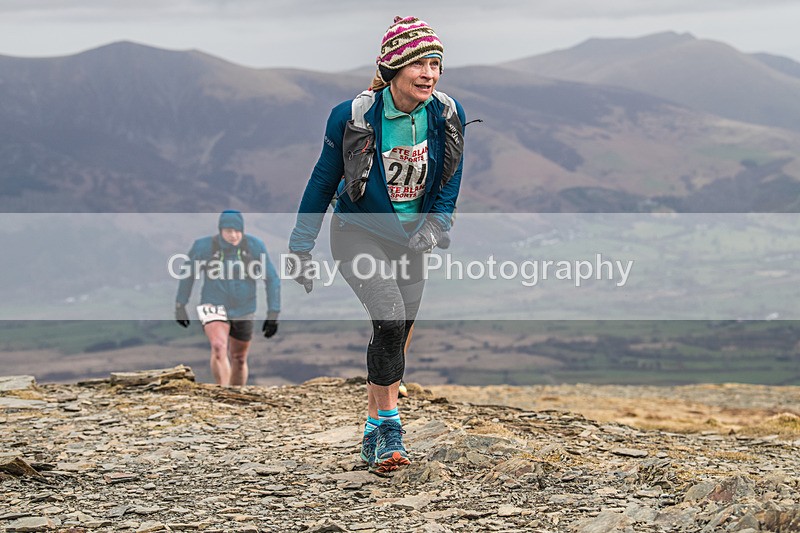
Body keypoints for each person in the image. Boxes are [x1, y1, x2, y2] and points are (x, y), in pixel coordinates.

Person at [288, 16, 466, 474]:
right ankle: (390, 429)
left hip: (413, 241)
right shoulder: (353, 116)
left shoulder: (447, 113)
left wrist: (436, 224)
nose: (429, 73)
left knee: (396, 332)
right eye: (418, 64)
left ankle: (372, 430)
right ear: (393, 69)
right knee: (388, 318)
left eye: (435, 64)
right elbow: (323, 180)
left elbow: (450, 177)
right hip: (358, 233)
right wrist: (301, 245)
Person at [175, 210, 281, 386]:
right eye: (228, 231)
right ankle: (223, 392)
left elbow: (272, 279)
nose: (233, 235)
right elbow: (188, 275)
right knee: (218, 347)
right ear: (220, 231)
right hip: (213, 303)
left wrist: (273, 314)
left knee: (239, 357)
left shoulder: (254, 246)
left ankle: (237, 394)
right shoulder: (203, 247)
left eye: (237, 231)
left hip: (244, 307)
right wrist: (180, 304)